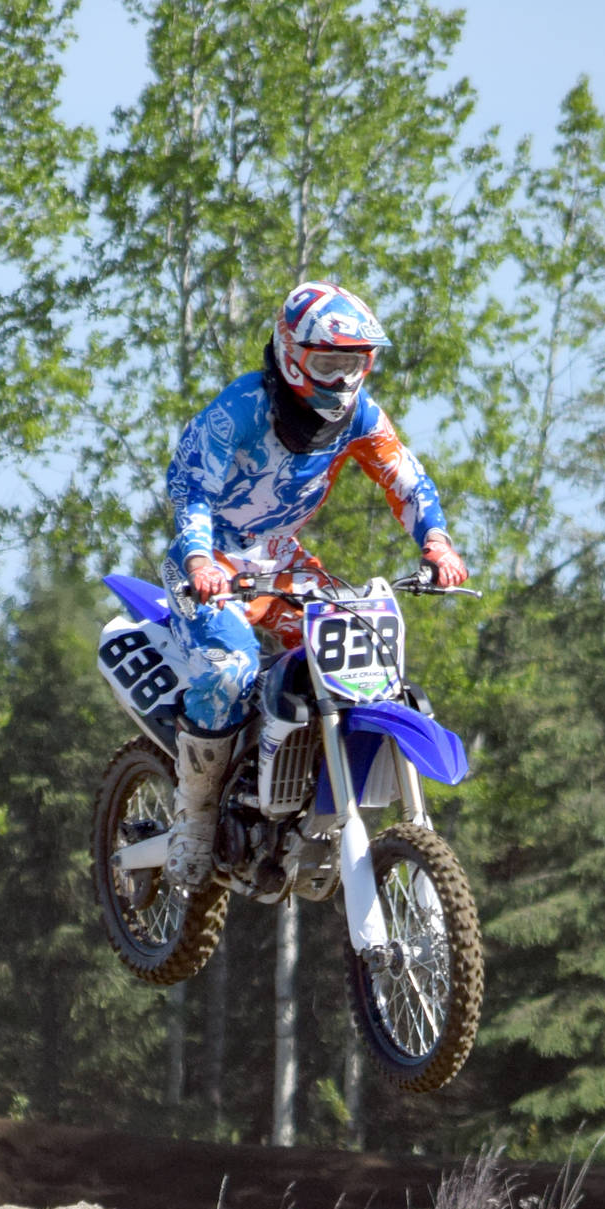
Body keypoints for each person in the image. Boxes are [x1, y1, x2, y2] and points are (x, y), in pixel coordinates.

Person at [161, 279, 468, 887]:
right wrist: (199, 561)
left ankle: (299, 787)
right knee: (228, 669)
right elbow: (191, 487)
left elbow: (404, 478)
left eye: (353, 363)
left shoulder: (359, 415)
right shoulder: (240, 409)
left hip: (281, 560)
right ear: (291, 351)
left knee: (356, 656)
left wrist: (435, 540)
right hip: (213, 562)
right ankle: (194, 819)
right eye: (328, 362)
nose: (341, 379)